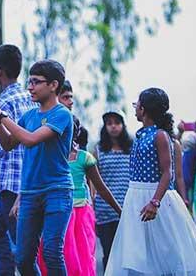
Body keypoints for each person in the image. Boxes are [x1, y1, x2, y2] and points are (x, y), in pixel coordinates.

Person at [104, 88, 196, 276]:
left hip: (155, 196)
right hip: (136, 196)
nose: (135, 107)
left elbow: (167, 173)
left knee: (165, 250)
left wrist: (155, 202)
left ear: (144, 109)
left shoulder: (160, 135)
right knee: (140, 252)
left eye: (138, 104)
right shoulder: (140, 134)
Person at [0, 58, 73, 276]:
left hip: (57, 190)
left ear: (53, 85)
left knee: (51, 252)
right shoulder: (29, 116)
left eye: (36, 82)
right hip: (30, 193)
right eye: (29, 81)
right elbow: (8, 144)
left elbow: (30, 140)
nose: (30, 87)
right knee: (23, 259)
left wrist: (2, 115)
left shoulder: (62, 114)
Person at [35, 118, 122, 276]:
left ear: (74, 134)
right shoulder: (47, 156)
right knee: (55, 256)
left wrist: (120, 211)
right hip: (56, 211)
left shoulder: (84, 158)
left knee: (79, 259)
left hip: (80, 214)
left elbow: (101, 188)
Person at [0, 44, 36, 276]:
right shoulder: (30, 97)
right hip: (30, 177)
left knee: (21, 248)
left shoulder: (3, 103)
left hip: (12, 183)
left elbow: (2, 148)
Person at [94, 111, 132, 269]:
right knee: (109, 253)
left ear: (123, 125)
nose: (113, 126)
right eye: (109, 123)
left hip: (127, 208)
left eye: (117, 122)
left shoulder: (132, 148)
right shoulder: (98, 150)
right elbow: (93, 181)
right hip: (105, 210)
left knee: (128, 254)